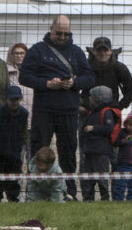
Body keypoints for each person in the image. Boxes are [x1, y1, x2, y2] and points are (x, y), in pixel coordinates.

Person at [20, 14, 94, 200]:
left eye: (66, 34)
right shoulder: (37, 50)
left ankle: (68, 192)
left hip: (69, 110)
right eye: (59, 33)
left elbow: (90, 78)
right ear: (50, 29)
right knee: (38, 151)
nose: (62, 37)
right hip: (43, 110)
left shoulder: (77, 52)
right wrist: (47, 84)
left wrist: (74, 83)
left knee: (68, 153)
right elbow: (24, 77)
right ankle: (35, 191)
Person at [79, 85, 119, 201]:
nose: (89, 99)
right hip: (89, 149)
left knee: (102, 176)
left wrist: (93, 128)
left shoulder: (106, 113)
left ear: (98, 99)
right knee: (88, 176)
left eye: (91, 97)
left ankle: (104, 197)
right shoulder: (92, 112)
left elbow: (109, 128)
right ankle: (88, 197)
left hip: (101, 150)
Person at [0, 85, 29, 202]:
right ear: (7, 99)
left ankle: (13, 197)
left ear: (20, 99)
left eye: (16, 99)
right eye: (12, 99)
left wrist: (21, 145)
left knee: (14, 176)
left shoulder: (24, 113)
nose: (14, 102)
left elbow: (24, 133)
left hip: (15, 150)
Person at [82, 36, 132, 116]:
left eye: (105, 50)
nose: (102, 53)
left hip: (111, 113)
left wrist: (118, 107)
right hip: (87, 111)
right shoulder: (85, 67)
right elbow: (75, 85)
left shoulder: (120, 68)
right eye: (99, 50)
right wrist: (80, 105)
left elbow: (131, 91)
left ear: (111, 51)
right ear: (93, 51)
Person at [112, 110, 132, 202]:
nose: (131, 128)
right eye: (129, 125)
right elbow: (116, 142)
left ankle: (131, 201)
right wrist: (124, 140)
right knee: (120, 184)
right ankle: (118, 200)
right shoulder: (122, 132)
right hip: (123, 163)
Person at [6, 42, 33, 118]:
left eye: (22, 53)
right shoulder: (6, 72)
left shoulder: (33, 72)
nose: (19, 56)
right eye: (16, 53)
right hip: (12, 112)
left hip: (31, 111)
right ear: (12, 55)